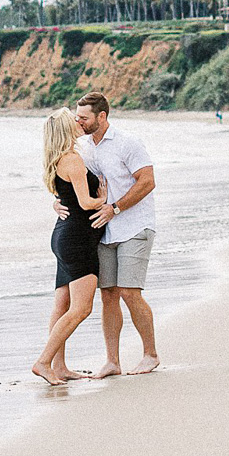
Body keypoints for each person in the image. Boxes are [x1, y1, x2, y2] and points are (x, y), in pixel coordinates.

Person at [69, 91, 159, 377]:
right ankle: (112, 362)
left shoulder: (128, 143)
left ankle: (150, 355)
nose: (78, 122)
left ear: (102, 116)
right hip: (105, 232)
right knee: (108, 295)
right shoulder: (84, 148)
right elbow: (75, 182)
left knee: (130, 292)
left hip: (134, 226)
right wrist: (58, 200)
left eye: (83, 117)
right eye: (77, 117)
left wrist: (116, 208)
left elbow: (147, 182)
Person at [32, 107, 107, 385]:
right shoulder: (72, 159)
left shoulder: (56, 160)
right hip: (77, 238)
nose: (78, 122)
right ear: (65, 129)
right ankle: (43, 362)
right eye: (72, 120)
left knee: (62, 305)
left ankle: (59, 366)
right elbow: (86, 203)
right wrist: (105, 198)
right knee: (81, 308)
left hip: (63, 235)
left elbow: (64, 197)